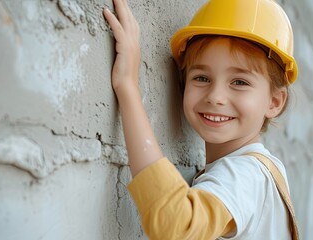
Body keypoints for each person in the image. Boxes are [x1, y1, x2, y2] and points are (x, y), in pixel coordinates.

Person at [103, 0, 299, 239]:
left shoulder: (246, 174)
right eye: (202, 78)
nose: (216, 97)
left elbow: (177, 225)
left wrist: (128, 86)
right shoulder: (264, 170)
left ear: (274, 102)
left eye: (240, 82)